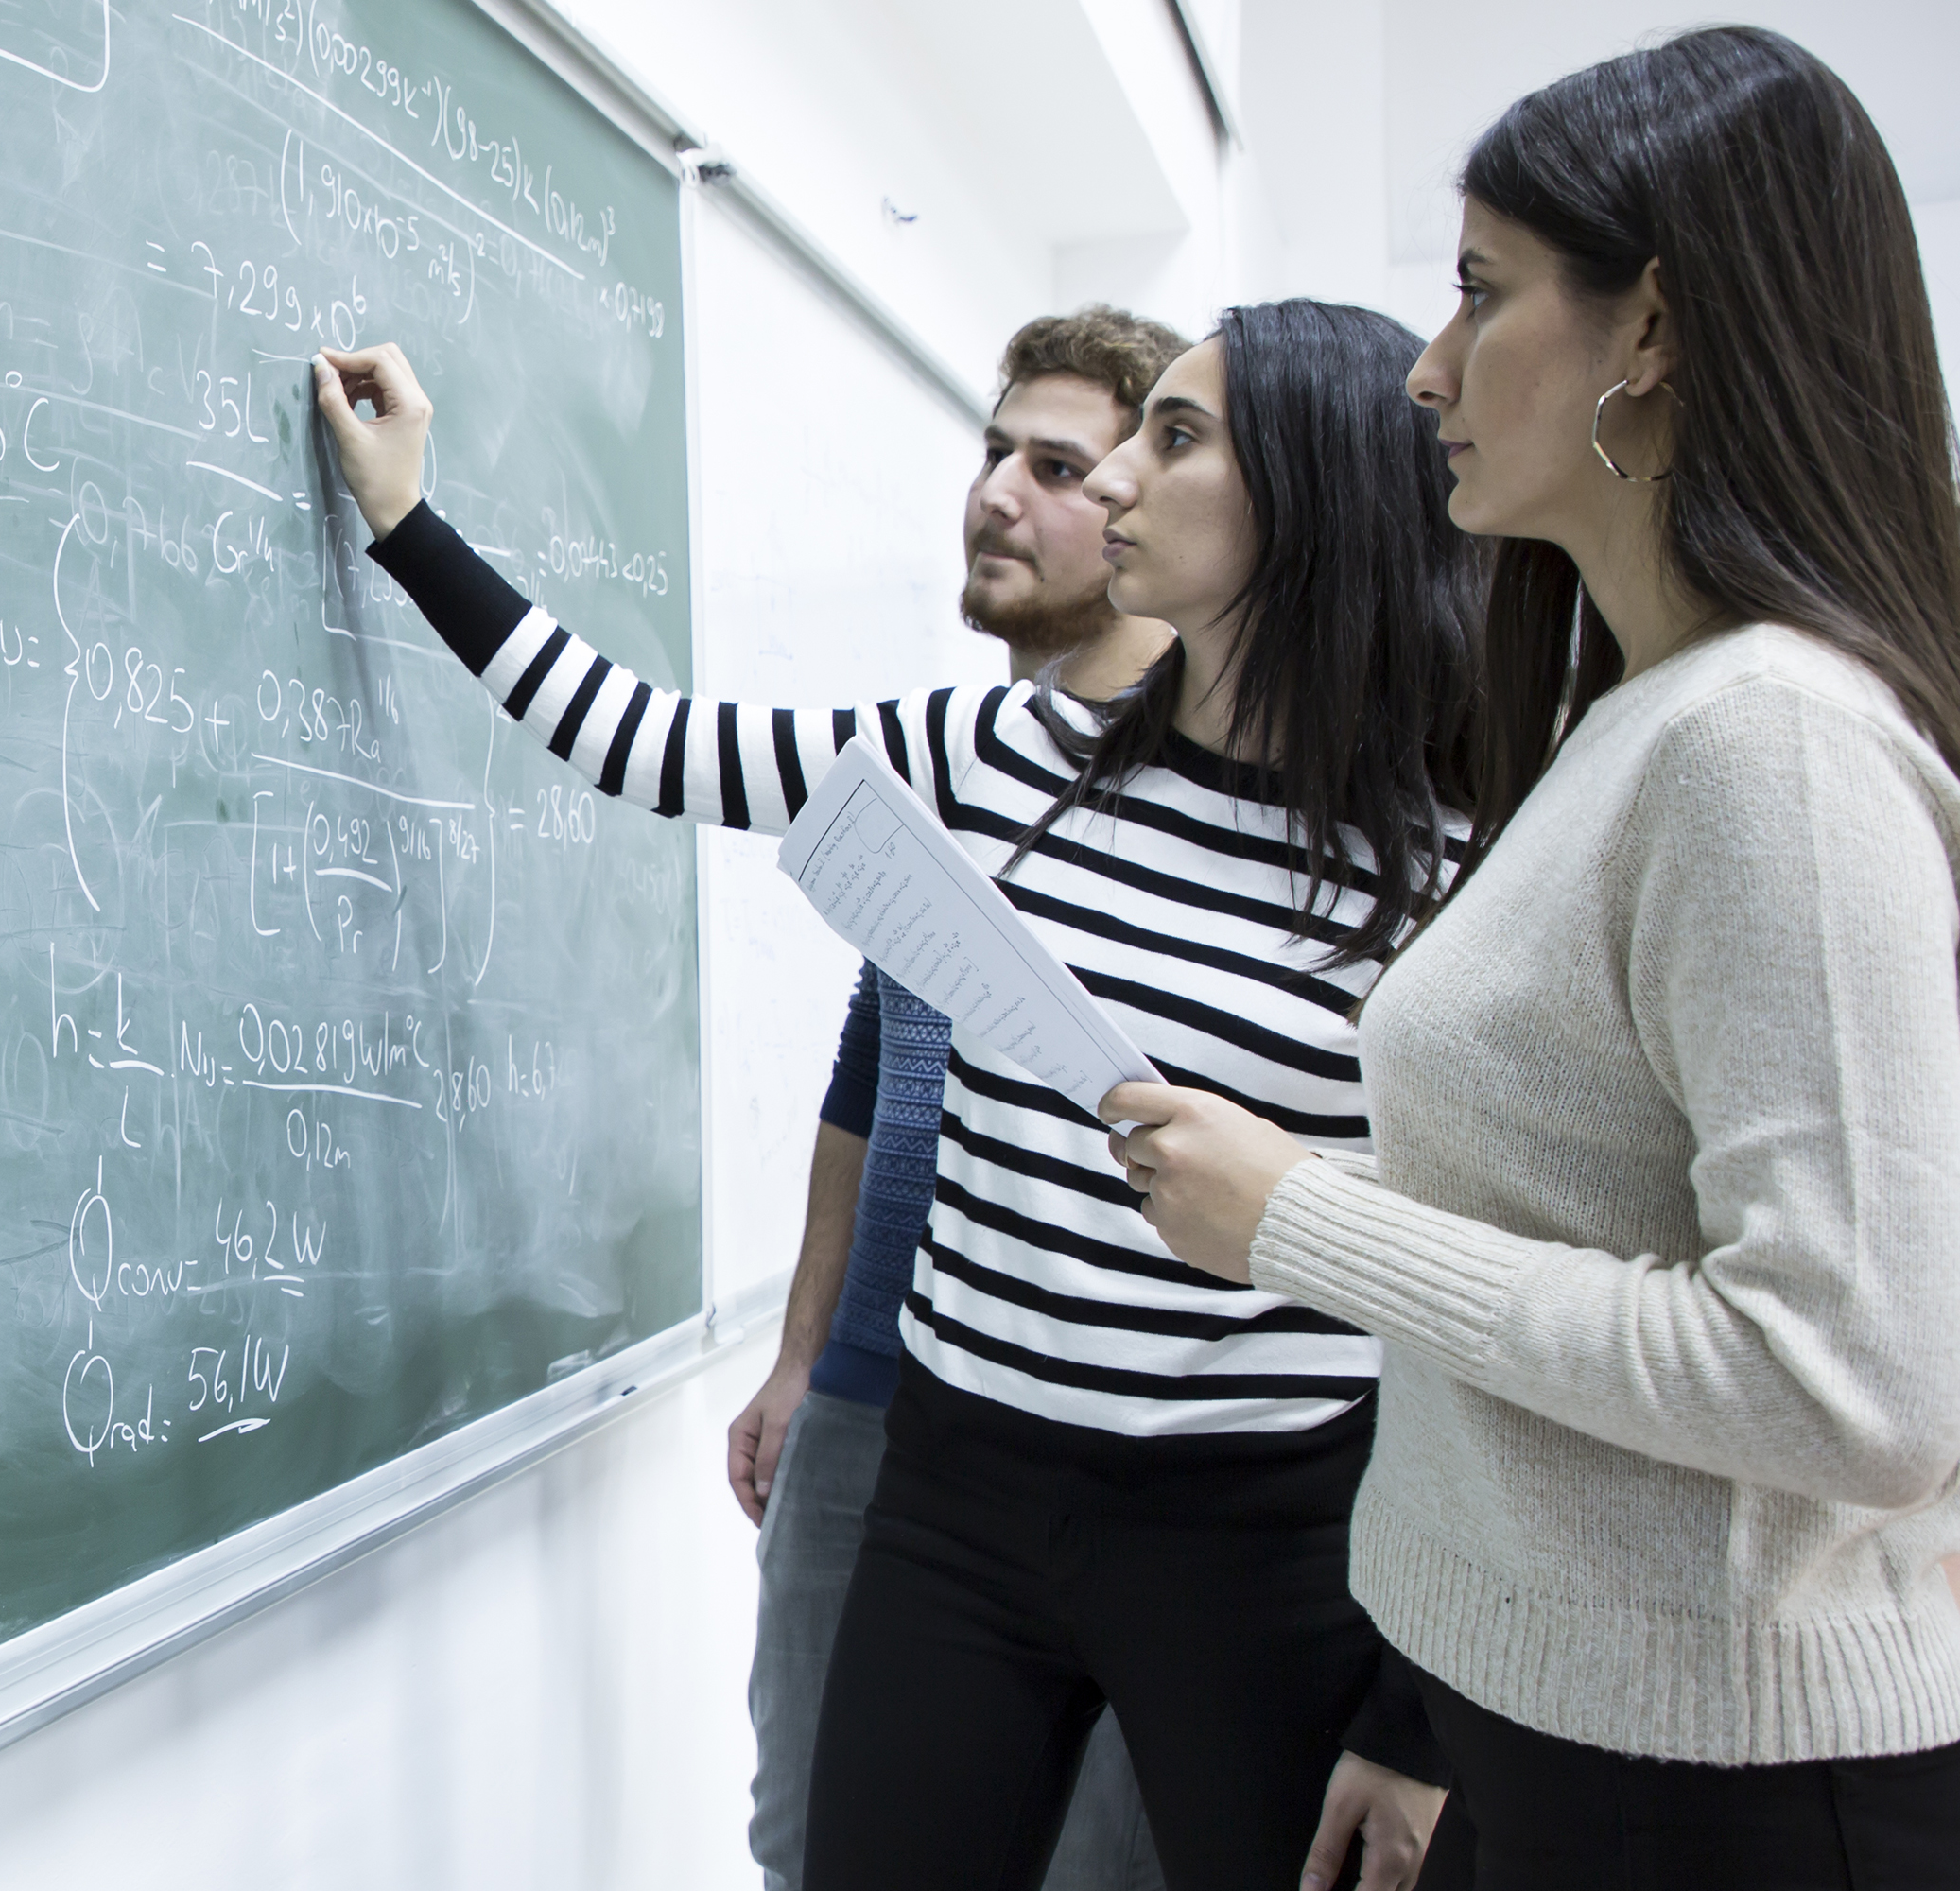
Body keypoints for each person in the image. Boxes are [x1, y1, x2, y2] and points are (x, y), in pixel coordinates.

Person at [317, 295, 1477, 1891]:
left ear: (1317, 495)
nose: (1119, 482)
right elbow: (642, 745)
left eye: (1175, 438)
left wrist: (1418, 1716)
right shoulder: (1006, 751)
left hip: (1260, 1540)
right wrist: (405, 515)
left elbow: (1469, 1328)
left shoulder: (1451, 876)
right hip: (963, 1500)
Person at [1102, 28, 1960, 1889]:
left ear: (1651, 332)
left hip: (1723, 1801)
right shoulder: (1628, 722)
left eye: (1474, 292)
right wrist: (1432, 1706)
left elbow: (1869, 1388)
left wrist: (1302, 1222)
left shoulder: (1766, 741)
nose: (1425, 369)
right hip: (1567, 1737)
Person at [730, 305, 1185, 1891]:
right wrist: (802, 1355)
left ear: (1148, 503)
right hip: (873, 1394)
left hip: (1085, 1428)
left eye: (1056, 465)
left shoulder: (1210, 787)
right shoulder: (952, 765)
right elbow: (875, 1065)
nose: (994, 494)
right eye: (994, 452)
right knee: (813, 1844)